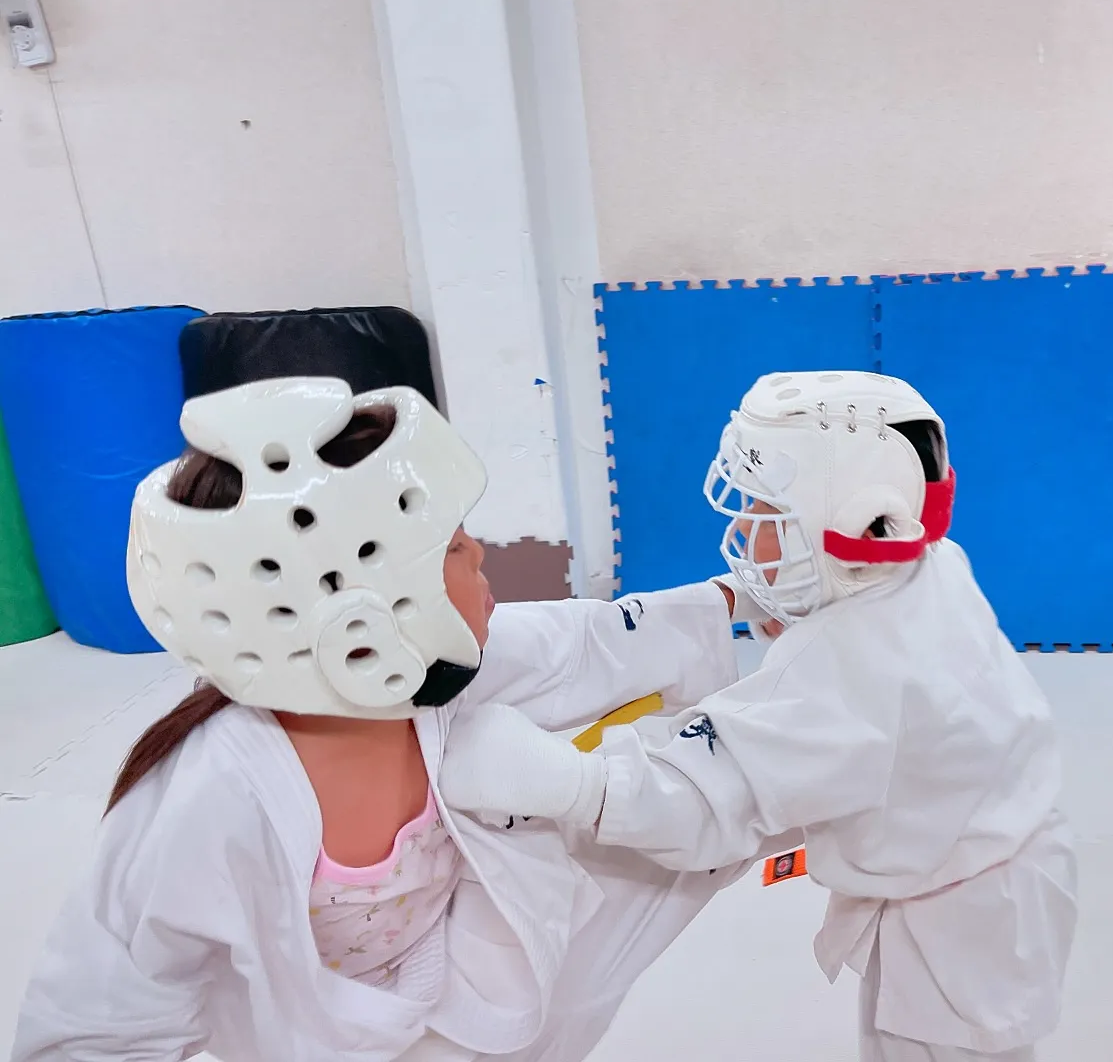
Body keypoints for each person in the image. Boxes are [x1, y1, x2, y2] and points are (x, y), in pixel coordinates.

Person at [11, 376, 761, 1062]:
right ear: (361, 610)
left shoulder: (433, 678)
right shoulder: (208, 800)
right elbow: (102, 1021)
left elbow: (585, 642)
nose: (483, 556)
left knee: (697, 809)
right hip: (322, 1037)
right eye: (457, 547)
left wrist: (747, 596)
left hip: (468, 978)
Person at [440, 370, 1079, 1062]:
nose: (745, 527)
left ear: (865, 522)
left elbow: (704, 808)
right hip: (995, 866)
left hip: (957, 934)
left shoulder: (848, 675)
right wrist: (786, 595)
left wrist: (569, 782)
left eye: (767, 512)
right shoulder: (928, 565)